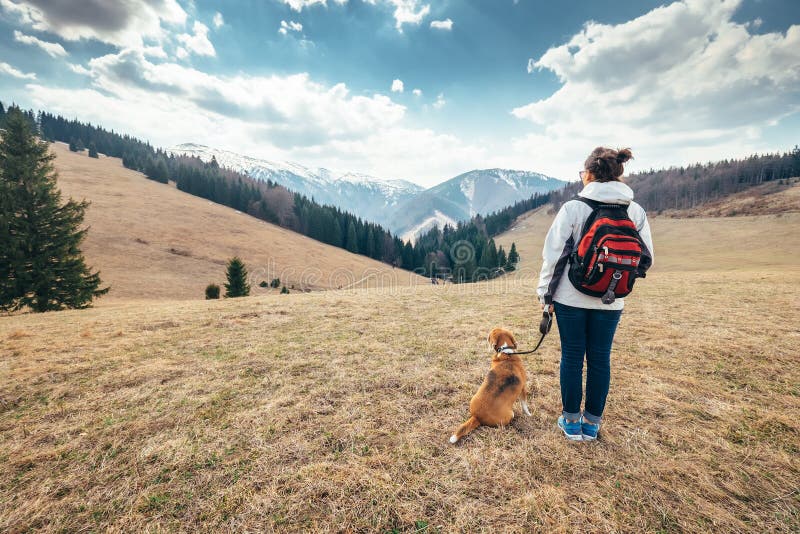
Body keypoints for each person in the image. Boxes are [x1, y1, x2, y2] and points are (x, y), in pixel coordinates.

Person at [537, 147, 654, 441]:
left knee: (573, 356)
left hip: (569, 298)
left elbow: (553, 257)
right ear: (618, 174)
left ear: (589, 173)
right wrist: (615, 280)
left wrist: (545, 298)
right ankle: (592, 425)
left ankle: (571, 422)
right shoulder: (635, 210)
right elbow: (646, 257)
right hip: (612, 301)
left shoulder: (573, 208)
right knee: (601, 359)